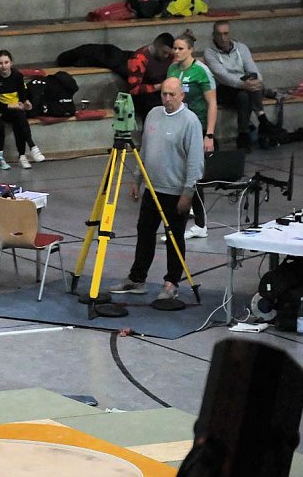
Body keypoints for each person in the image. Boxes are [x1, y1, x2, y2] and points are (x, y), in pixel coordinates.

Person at [109, 78, 204, 301]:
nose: (167, 99)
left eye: (172, 94)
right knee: (144, 232)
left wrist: (187, 193)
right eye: (164, 94)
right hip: (152, 189)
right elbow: (145, 150)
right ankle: (137, 278)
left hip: (175, 192)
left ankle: (172, 282)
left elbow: (195, 162)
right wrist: (137, 179)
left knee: (174, 237)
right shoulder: (153, 114)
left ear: (182, 95)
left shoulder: (190, 122)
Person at [167, 29, 217, 240]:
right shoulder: (172, 68)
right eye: (174, 48)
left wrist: (209, 135)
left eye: (180, 49)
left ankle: (201, 225)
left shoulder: (201, 71)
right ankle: (181, 218)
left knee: (194, 177)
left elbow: (212, 103)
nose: (176, 52)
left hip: (198, 127)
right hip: (179, 128)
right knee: (178, 174)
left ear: (190, 50)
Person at [203, 20, 270, 151]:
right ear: (213, 35)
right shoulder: (209, 52)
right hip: (223, 88)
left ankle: (243, 135)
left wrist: (257, 81)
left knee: (246, 94)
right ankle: (262, 119)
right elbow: (222, 76)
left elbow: (252, 67)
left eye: (225, 33)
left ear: (230, 34)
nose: (223, 38)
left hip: (244, 86)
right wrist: (242, 84)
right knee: (245, 93)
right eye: (219, 34)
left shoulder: (242, 48)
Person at [0, 50, 43, 170]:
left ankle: (23, 155)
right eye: (0, 63)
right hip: (2, 110)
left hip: (16, 109)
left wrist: (26, 102)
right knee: (19, 116)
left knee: (19, 119)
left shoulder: (17, 75)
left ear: (11, 63)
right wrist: (11, 106)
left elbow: (23, 94)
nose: (4, 66)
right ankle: (31, 147)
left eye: (6, 62)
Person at [127, 32, 174, 122]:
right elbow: (134, 89)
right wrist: (160, 86)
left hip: (164, 91)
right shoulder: (139, 58)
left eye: (168, 53)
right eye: (164, 52)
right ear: (156, 45)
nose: (166, 56)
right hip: (145, 96)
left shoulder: (170, 57)